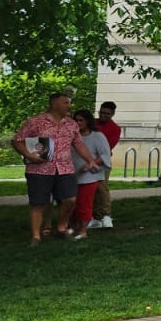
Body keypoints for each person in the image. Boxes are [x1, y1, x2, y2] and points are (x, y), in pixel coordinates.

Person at [13, 91, 100, 244]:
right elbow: (17, 140)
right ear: (54, 103)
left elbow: (78, 143)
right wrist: (29, 155)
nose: (69, 106)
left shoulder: (71, 124)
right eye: (65, 102)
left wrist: (90, 160)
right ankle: (36, 236)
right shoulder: (35, 122)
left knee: (70, 200)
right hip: (39, 170)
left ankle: (61, 227)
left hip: (65, 168)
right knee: (38, 203)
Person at [66, 110, 113, 240]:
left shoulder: (97, 136)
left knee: (84, 204)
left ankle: (83, 230)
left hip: (89, 176)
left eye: (81, 120)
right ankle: (71, 227)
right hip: (71, 174)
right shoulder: (70, 136)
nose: (78, 123)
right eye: (76, 120)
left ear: (88, 121)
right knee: (69, 204)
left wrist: (90, 163)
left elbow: (104, 154)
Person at [89, 101, 121, 229]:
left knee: (102, 188)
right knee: (90, 189)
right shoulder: (92, 123)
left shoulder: (115, 129)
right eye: (101, 113)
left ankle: (106, 215)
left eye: (107, 114)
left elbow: (107, 148)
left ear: (112, 114)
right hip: (86, 159)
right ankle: (94, 216)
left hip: (102, 162)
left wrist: (94, 161)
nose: (103, 116)